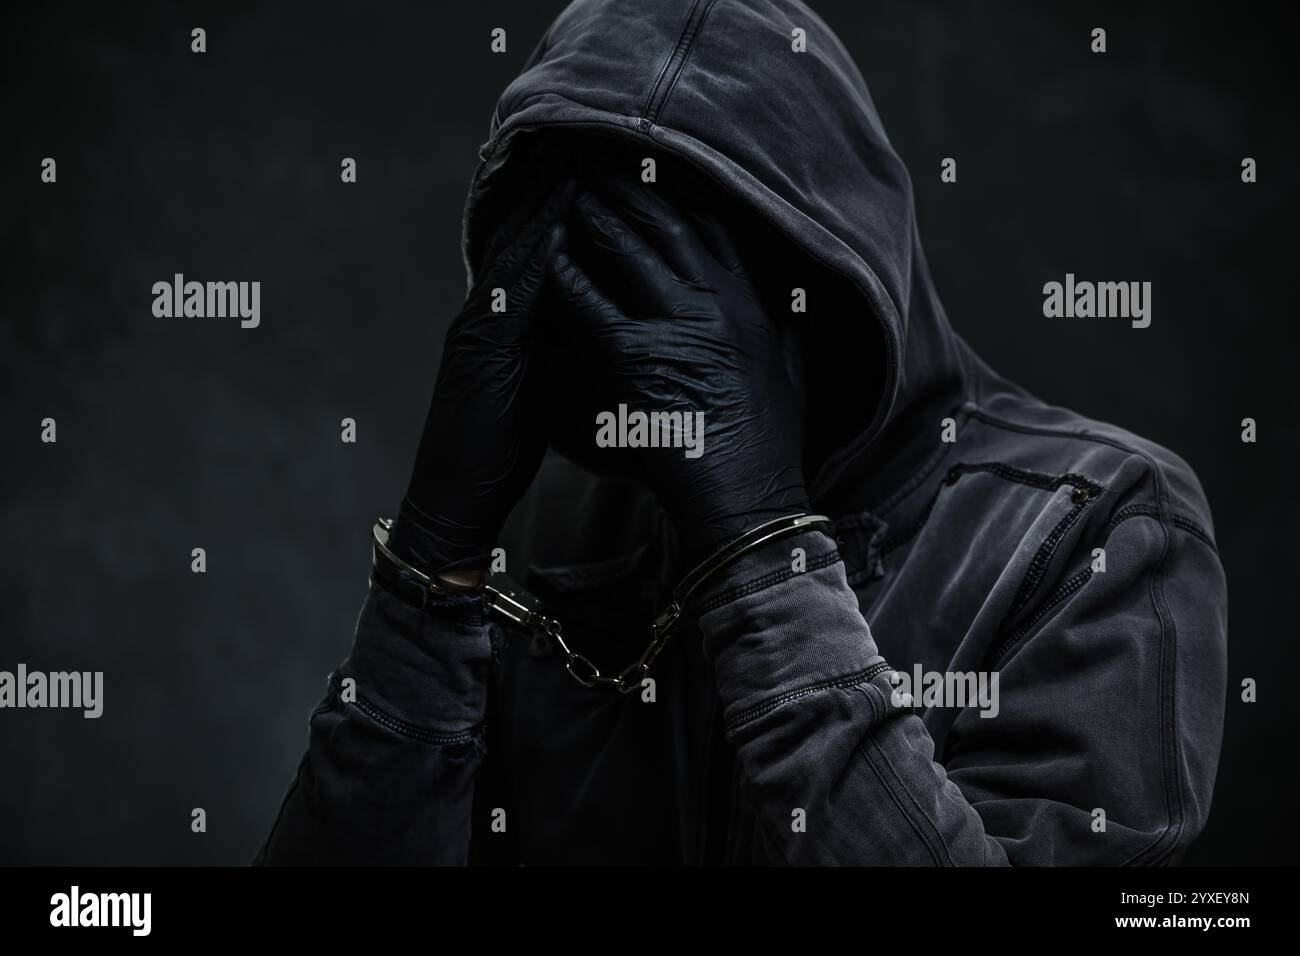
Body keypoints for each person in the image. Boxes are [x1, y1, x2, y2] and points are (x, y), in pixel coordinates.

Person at [255, 0, 1226, 866]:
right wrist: (433, 561)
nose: (632, 351)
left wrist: (759, 549)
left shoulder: (1098, 528)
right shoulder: (546, 528)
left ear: (837, 283)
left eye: (686, 285)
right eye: (584, 279)